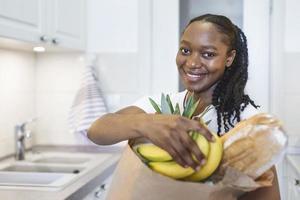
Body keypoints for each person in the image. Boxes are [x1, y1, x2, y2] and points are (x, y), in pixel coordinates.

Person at [87, 14, 280, 199]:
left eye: (208, 54)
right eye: (185, 50)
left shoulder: (248, 124)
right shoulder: (161, 106)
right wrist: (146, 123)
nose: (192, 63)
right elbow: (96, 131)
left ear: (229, 58)